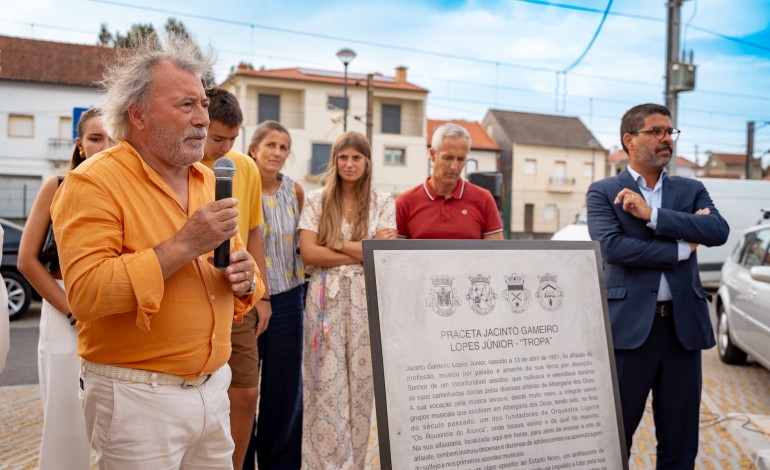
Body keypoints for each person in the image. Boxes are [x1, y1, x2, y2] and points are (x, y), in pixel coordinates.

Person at [50, 34, 263, 469]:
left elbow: (242, 281)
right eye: (186, 106)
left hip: (212, 390)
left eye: (203, 104)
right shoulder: (94, 182)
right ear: (139, 114)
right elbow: (87, 295)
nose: (203, 119)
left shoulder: (209, 181)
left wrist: (246, 279)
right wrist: (185, 244)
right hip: (136, 399)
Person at [586, 103, 729, 468]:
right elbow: (613, 249)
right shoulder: (603, 192)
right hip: (629, 332)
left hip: (683, 332)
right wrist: (682, 246)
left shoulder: (691, 189)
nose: (667, 139)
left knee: (681, 443)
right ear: (629, 140)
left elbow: (717, 231)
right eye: (657, 132)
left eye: (670, 132)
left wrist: (653, 216)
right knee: (616, 438)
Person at [17, 108, 112, 470]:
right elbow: (27, 260)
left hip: (113, 314)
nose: (105, 147)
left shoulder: (134, 193)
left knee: (117, 423)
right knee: (65, 423)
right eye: (95, 138)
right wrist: (74, 310)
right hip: (64, 312)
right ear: (79, 143)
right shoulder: (57, 186)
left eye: (113, 138)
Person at [298, 131, 396, 469]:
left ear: (367, 162)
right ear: (335, 161)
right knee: (325, 383)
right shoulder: (316, 199)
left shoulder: (383, 201)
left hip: (367, 300)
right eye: (343, 157)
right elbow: (309, 252)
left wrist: (335, 244)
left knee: (363, 384)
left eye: (357, 157)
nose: (349, 164)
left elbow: (380, 254)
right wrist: (361, 249)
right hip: (326, 301)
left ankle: (356, 463)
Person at [200, 87, 270, 470]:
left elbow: (255, 230)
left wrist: (263, 295)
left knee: (245, 392)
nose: (225, 147)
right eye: (217, 138)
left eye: (232, 139)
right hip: (196, 293)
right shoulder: (182, 164)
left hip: (238, 295)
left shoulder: (244, 167)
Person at [246, 120, 306, 469]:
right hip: (248, 301)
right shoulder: (240, 187)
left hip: (288, 299)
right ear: (253, 149)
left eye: (283, 147)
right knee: (243, 389)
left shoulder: (294, 191)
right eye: (271, 145)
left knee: (283, 391)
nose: (277, 153)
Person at [396, 122, 503, 239]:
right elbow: (394, 255)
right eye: (448, 158)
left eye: (461, 159)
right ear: (432, 155)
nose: (454, 167)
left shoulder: (484, 200)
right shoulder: (405, 202)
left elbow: (495, 253)